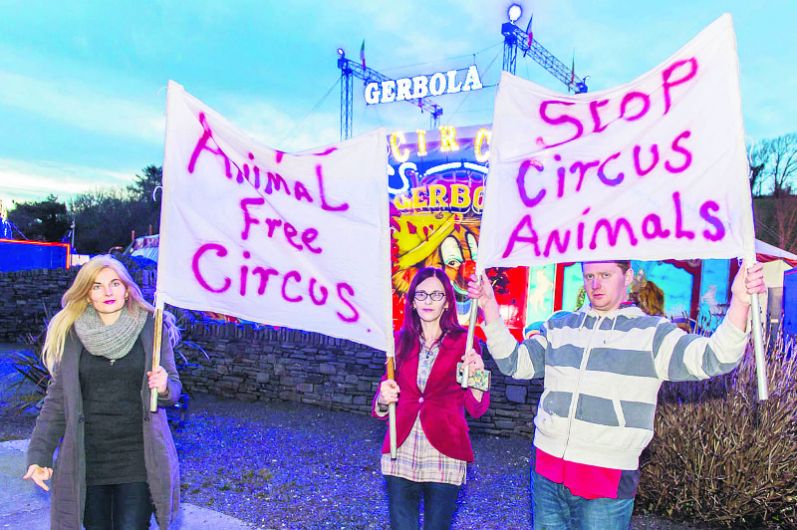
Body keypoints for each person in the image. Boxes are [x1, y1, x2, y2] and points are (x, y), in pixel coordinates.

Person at [468, 260, 765, 529]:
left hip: (607, 479)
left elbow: (716, 357)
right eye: (589, 276)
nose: (595, 285)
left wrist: (740, 300)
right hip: (547, 472)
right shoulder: (560, 326)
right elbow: (514, 363)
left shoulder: (651, 333)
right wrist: (489, 306)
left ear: (628, 276)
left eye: (606, 275)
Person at [23, 255, 182, 529]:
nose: (107, 292)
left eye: (114, 283)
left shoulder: (151, 329)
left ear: (127, 289)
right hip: (88, 459)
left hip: (138, 458)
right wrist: (39, 456)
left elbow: (174, 388)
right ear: (87, 295)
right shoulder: (72, 335)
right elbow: (57, 402)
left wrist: (165, 385)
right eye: (97, 286)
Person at [374, 267, 490, 529]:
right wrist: (383, 399)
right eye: (422, 294)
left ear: (447, 301)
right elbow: (383, 396)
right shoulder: (398, 341)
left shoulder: (466, 342)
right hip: (400, 447)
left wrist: (478, 376)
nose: (428, 300)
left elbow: (477, 407)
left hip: (445, 451)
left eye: (436, 295)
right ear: (412, 301)